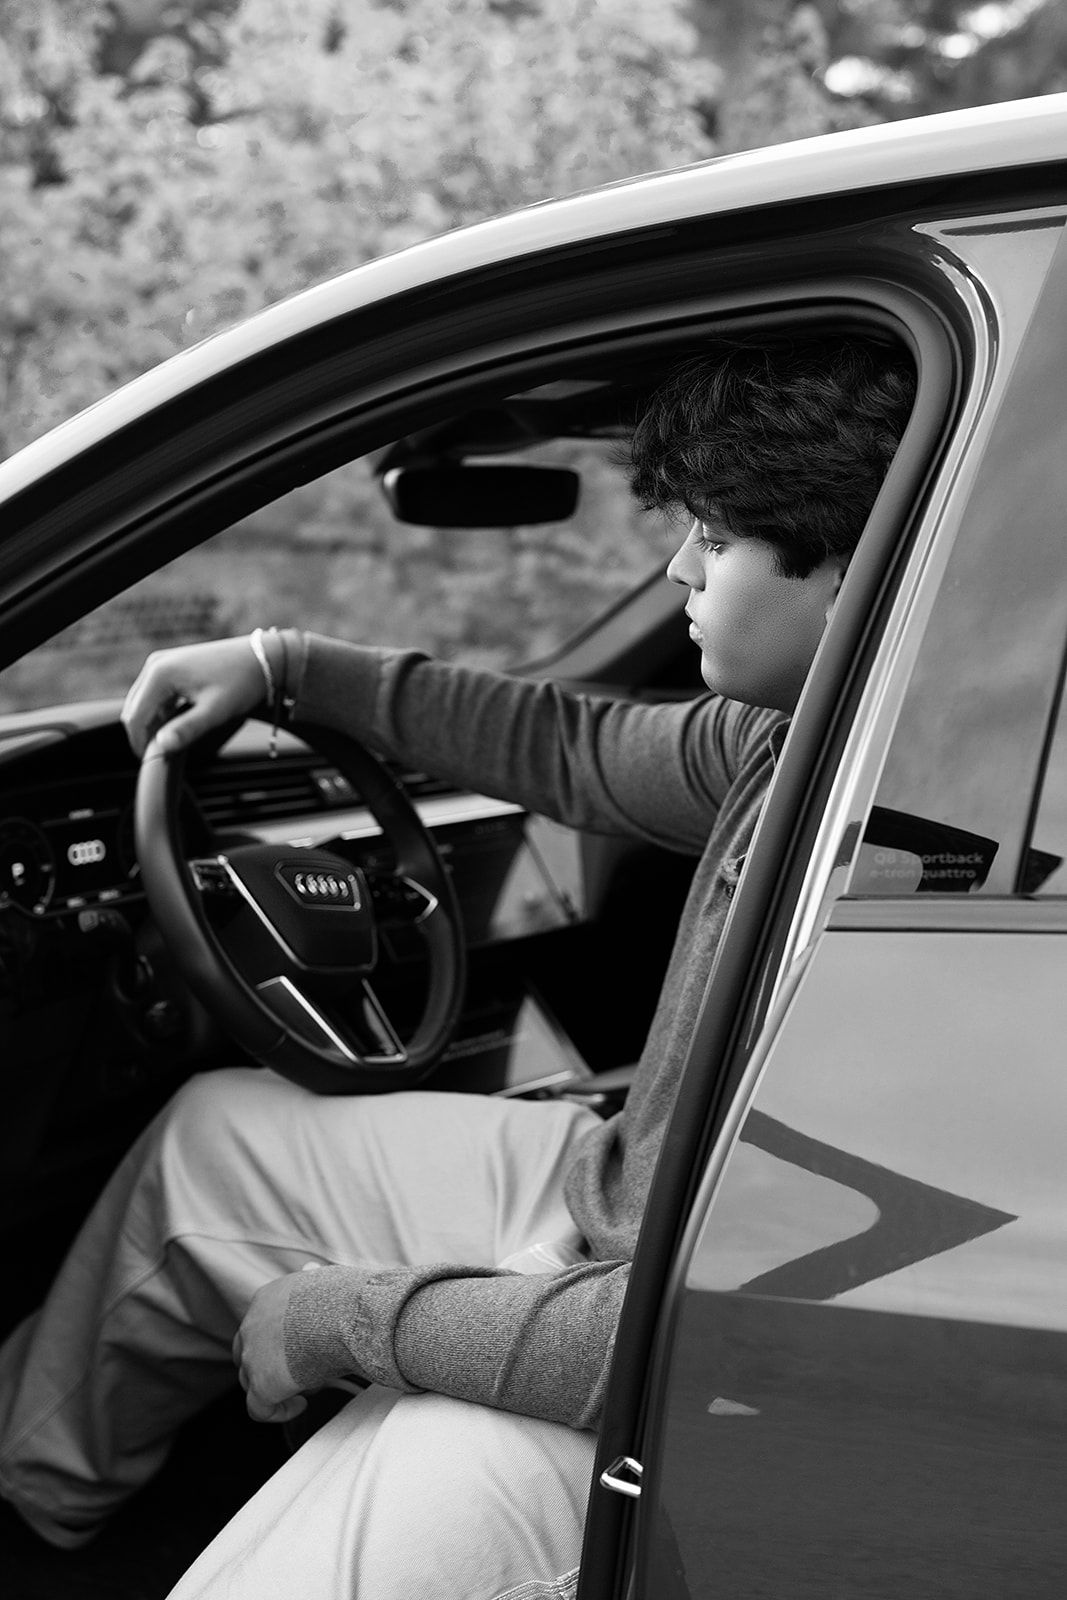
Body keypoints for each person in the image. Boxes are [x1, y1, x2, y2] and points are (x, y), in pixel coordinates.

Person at [0, 336, 915, 1598]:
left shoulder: (925, 880)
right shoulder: (802, 735)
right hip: (620, 1206)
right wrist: (283, 667)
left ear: (854, 568)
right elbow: (572, 746)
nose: (677, 568)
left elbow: (707, 1320)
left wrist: (342, 1314)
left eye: (713, 539)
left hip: (694, 1389)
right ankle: (32, 1502)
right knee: (211, 1138)